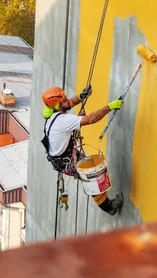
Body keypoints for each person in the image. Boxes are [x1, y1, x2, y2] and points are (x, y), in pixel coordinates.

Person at [42, 85, 124, 216]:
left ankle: (106, 202)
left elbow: (69, 104)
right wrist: (110, 106)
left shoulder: (53, 114)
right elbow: (91, 119)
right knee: (92, 176)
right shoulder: (63, 120)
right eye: (63, 100)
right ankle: (109, 207)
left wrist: (80, 96)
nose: (67, 100)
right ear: (57, 106)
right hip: (66, 160)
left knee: (92, 173)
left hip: (63, 156)